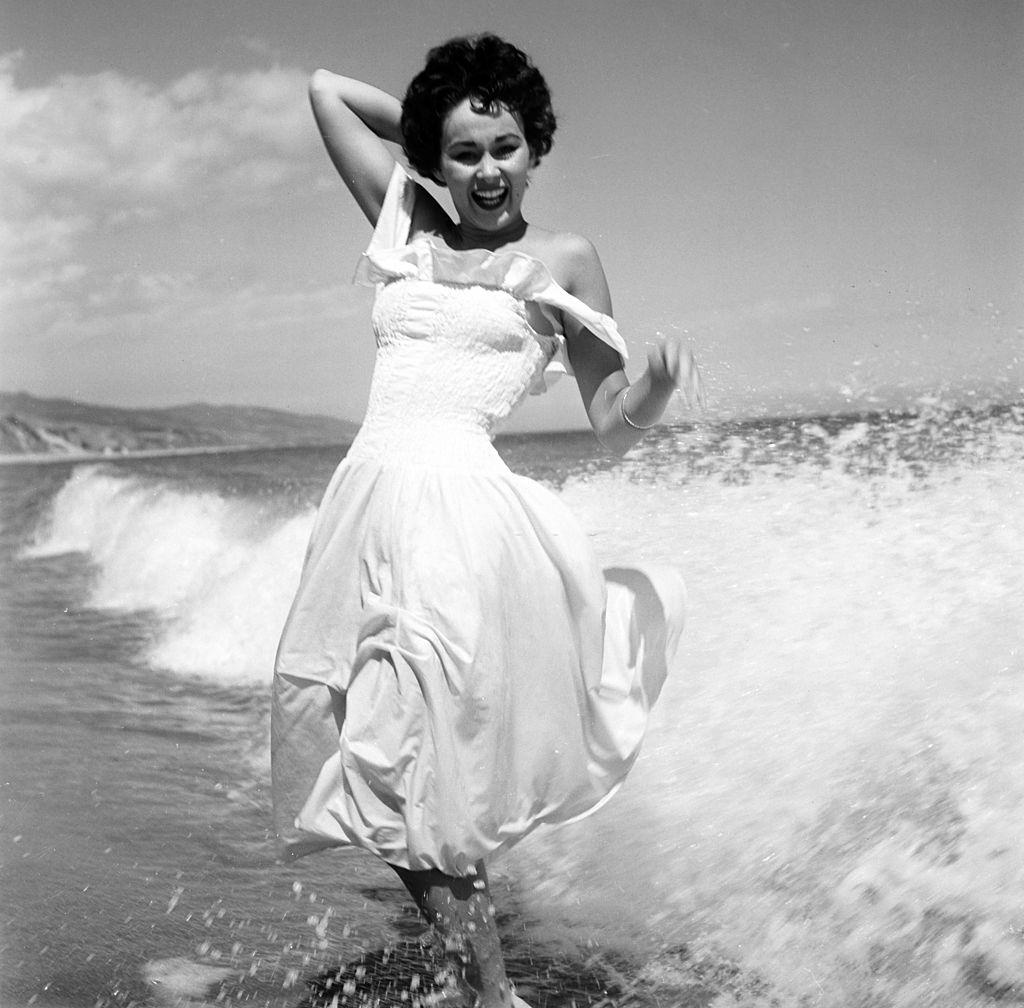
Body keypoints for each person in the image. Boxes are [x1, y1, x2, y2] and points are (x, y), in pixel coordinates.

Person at [271, 33, 703, 1008]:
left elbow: (606, 422)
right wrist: (424, 137)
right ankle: (485, 984)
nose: (486, 171)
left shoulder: (564, 259)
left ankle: (490, 992)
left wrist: (656, 393)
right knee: (375, 757)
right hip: (365, 514)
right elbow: (326, 89)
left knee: (401, 764)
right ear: (435, 156)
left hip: (458, 525)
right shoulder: (406, 220)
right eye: (463, 152)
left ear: (534, 147)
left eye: (504, 147)